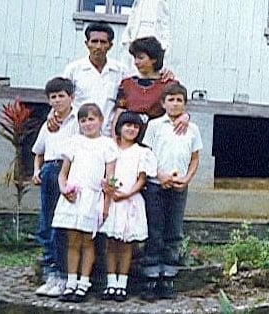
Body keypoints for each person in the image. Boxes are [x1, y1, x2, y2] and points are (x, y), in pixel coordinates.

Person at [48, 22, 174, 137]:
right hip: (78, 134)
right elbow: (60, 97)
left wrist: (165, 72)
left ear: (110, 45)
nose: (98, 46)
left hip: (108, 136)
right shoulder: (73, 70)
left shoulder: (121, 71)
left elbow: (146, 77)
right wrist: (52, 114)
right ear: (87, 44)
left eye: (103, 42)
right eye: (94, 41)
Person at [141, 83, 203, 301]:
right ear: (163, 103)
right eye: (171, 100)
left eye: (179, 100)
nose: (175, 104)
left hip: (179, 186)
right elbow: (147, 155)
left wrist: (186, 179)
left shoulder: (192, 129)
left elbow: (195, 158)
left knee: (173, 230)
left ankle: (168, 276)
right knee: (155, 229)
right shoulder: (156, 125)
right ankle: (150, 276)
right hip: (156, 185)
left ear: (185, 104)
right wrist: (160, 174)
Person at [51, 103, 118, 303]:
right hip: (73, 197)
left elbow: (111, 178)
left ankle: (84, 282)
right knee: (72, 241)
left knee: (88, 241)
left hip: (92, 198)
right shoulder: (74, 142)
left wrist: (105, 205)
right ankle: (71, 281)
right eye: (83, 120)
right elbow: (63, 174)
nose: (88, 123)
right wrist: (64, 189)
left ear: (101, 121)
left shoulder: (108, 145)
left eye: (91, 119)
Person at [100, 111, 157, 302]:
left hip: (130, 199)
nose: (131, 129)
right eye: (127, 125)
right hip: (111, 199)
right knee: (111, 243)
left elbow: (141, 179)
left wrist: (128, 193)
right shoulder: (110, 149)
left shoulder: (142, 152)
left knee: (125, 244)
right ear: (120, 127)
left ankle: (121, 284)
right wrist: (109, 191)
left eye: (135, 126)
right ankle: (110, 282)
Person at [32, 77, 79, 297]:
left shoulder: (80, 120)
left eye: (62, 96)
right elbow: (39, 152)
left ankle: (64, 275)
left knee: (65, 222)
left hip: (70, 171)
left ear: (72, 97)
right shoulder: (48, 124)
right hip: (49, 170)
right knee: (47, 221)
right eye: (53, 97)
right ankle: (51, 272)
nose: (58, 100)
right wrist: (36, 171)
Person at [112, 36, 189, 141]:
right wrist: (115, 138)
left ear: (153, 59)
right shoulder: (127, 84)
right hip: (131, 138)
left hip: (159, 138)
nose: (136, 62)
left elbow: (178, 109)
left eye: (141, 58)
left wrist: (186, 117)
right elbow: (119, 113)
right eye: (135, 58)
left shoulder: (169, 84)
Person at [121, 0, 171, 72]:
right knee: (133, 65)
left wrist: (163, 45)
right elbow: (132, 21)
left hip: (152, 35)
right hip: (137, 35)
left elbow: (164, 25)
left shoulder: (160, 2)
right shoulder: (138, 2)